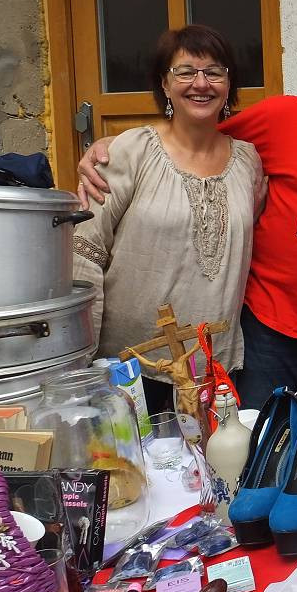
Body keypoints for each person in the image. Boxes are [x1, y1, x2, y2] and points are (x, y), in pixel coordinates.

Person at [77, 26, 297, 409]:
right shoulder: (283, 115)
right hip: (265, 325)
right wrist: (110, 146)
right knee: (257, 445)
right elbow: (194, 131)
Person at [72, 24, 263, 412]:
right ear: (164, 83)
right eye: (185, 71)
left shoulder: (248, 160)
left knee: (211, 469)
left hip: (213, 368)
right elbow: (84, 251)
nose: (200, 83)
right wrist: (82, 359)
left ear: (229, 85)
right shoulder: (129, 151)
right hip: (130, 367)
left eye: (214, 71)